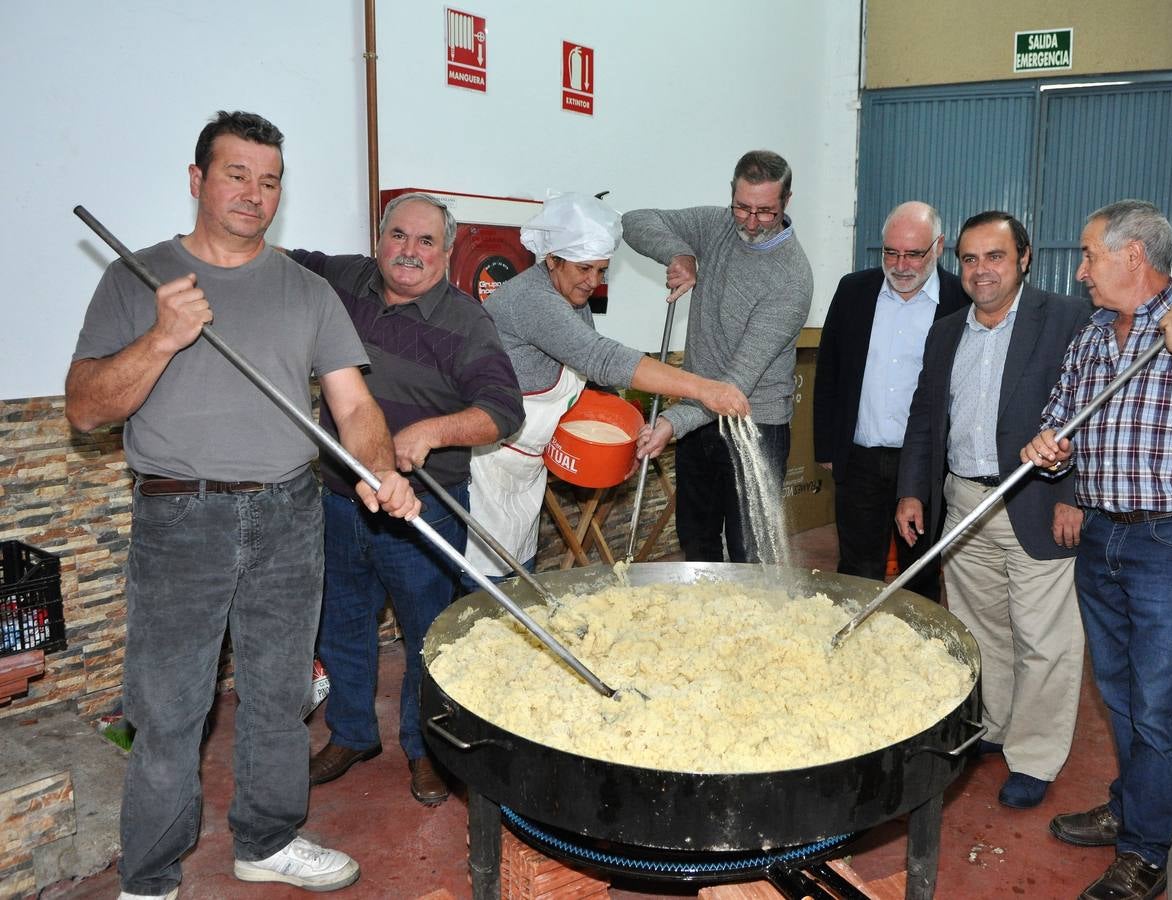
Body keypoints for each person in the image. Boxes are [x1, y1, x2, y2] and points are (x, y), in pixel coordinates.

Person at [66, 111, 419, 899]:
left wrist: (378, 468)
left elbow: (355, 408)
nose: (253, 194)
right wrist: (162, 338)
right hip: (180, 518)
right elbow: (85, 409)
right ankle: (150, 877)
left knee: (281, 694)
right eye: (235, 174)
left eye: (268, 180)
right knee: (169, 709)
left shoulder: (305, 290)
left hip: (289, 516)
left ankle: (266, 839)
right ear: (197, 180)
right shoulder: (139, 278)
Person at [1021, 200, 1172, 900]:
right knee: (1120, 694)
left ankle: (1146, 851)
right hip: (1100, 533)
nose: (1079, 271)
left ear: (1133, 257)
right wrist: (1049, 449)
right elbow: (1059, 418)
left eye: (1088, 255)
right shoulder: (1093, 334)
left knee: (1159, 705)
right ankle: (1132, 807)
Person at [288, 192, 525, 806]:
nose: (409, 251)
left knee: (429, 638)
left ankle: (426, 752)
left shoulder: (467, 323)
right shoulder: (344, 280)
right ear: (378, 239)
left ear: (446, 254)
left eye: (425, 242)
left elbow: (504, 411)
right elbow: (272, 257)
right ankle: (351, 735)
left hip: (423, 510)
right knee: (340, 626)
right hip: (340, 501)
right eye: (398, 235)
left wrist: (432, 431)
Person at [895, 211, 1090, 810]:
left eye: (996, 256)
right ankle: (997, 727)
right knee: (981, 630)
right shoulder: (947, 329)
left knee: (1044, 639)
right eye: (971, 258)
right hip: (962, 504)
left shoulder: (1066, 319)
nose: (982, 270)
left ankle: (1034, 756)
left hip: (1035, 502)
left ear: (1023, 258)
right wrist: (911, 490)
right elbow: (927, 415)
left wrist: (1072, 495)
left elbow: (1093, 414)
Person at [465, 193, 748, 576]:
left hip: (525, 468)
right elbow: (602, 357)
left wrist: (627, 431)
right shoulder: (531, 300)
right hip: (487, 467)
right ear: (552, 258)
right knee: (487, 587)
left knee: (518, 576)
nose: (593, 282)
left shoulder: (572, 300)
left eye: (601, 270)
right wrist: (703, 389)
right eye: (584, 269)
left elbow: (595, 378)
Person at [624, 150, 813, 562]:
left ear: (786, 201)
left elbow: (733, 386)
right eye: (742, 206)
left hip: (754, 424)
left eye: (765, 211)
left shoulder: (792, 279)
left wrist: (672, 421)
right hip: (700, 418)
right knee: (696, 539)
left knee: (749, 553)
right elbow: (634, 220)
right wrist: (680, 254)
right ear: (731, 194)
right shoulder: (717, 225)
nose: (749, 221)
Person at [813, 201, 969, 593]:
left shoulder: (960, 301)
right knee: (857, 571)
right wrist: (827, 447)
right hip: (860, 458)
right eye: (890, 252)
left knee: (921, 572)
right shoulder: (853, 291)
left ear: (938, 246)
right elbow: (829, 369)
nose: (900, 265)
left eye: (914, 254)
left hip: (927, 464)